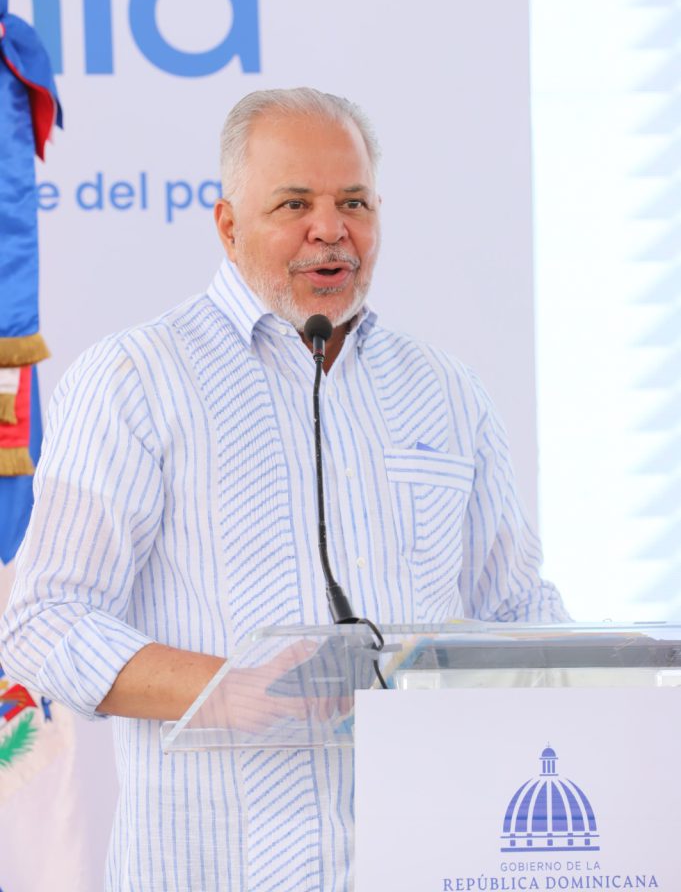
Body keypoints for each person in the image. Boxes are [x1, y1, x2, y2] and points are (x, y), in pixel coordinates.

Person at [1, 88, 567, 892]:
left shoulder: (447, 391)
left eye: (354, 202)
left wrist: (602, 687)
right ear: (228, 225)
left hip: (429, 864)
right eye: (294, 202)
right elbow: (44, 620)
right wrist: (223, 690)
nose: (329, 229)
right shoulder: (135, 379)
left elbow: (517, 616)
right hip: (213, 871)